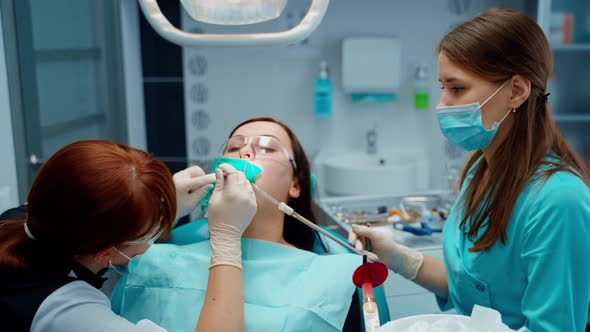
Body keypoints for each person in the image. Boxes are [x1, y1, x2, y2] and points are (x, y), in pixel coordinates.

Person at [350, 8, 590, 332]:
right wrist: (398, 257)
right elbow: (470, 287)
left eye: (457, 89)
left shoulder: (558, 201)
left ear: (516, 91)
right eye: (442, 87)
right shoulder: (481, 169)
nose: (442, 104)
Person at [113, 117, 367, 331]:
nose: (245, 152)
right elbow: (97, 256)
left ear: (295, 185)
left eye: (267, 148)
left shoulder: (336, 276)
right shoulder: (153, 255)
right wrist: (163, 214)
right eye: (234, 147)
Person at [0, 140, 257, 332]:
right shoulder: (66, 312)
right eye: (150, 231)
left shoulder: (35, 216)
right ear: (105, 255)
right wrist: (226, 239)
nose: (246, 152)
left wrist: (161, 207)